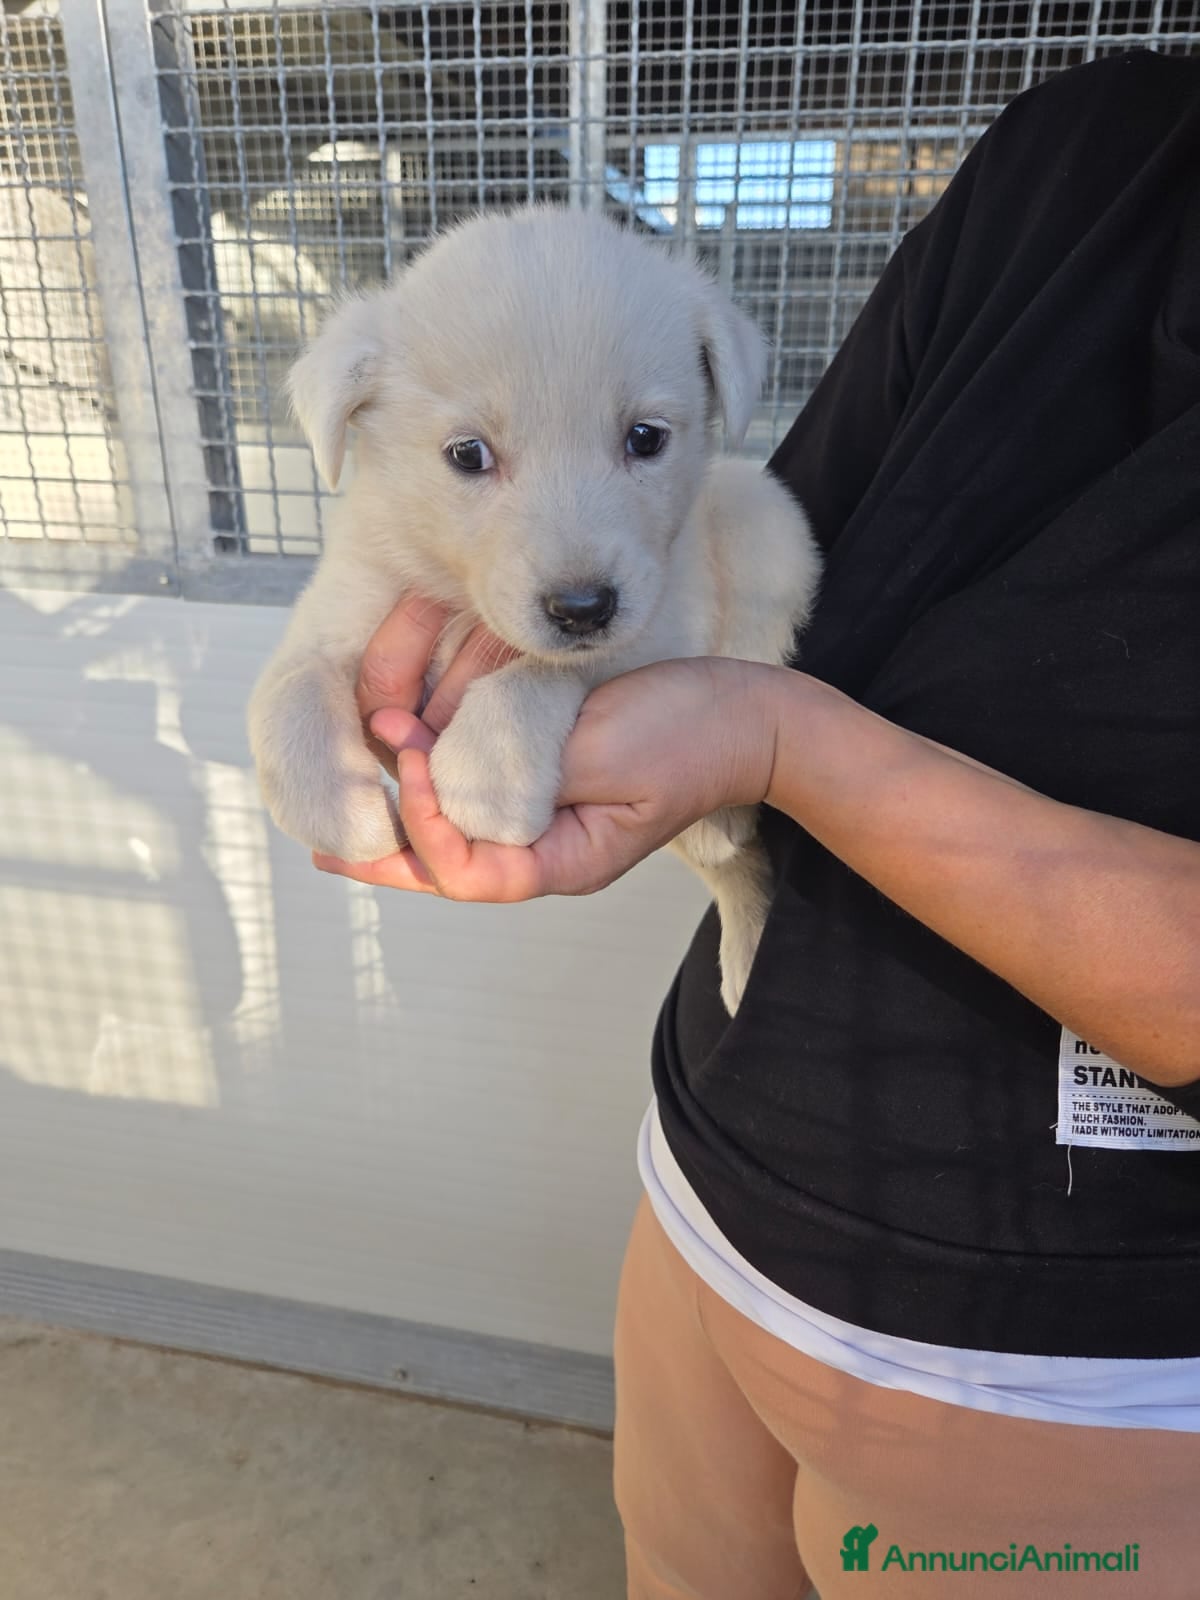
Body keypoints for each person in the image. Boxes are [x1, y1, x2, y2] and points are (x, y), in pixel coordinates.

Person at [314, 51, 1200, 1598]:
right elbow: (776, 548)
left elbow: (764, 695)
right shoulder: (1092, 139)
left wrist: (780, 744)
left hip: (1070, 1364)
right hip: (720, 1175)